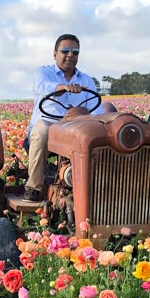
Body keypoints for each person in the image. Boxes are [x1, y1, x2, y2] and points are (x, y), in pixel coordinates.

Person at [25, 33, 103, 201]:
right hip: (49, 123)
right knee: (42, 132)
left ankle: (98, 188)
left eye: (75, 52)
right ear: (55, 54)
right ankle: (34, 187)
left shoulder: (86, 80)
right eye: (65, 51)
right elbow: (42, 86)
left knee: (100, 136)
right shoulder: (44, 73)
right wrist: (62, 87)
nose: (70, 55)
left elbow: (97, 110)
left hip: (76, 127)